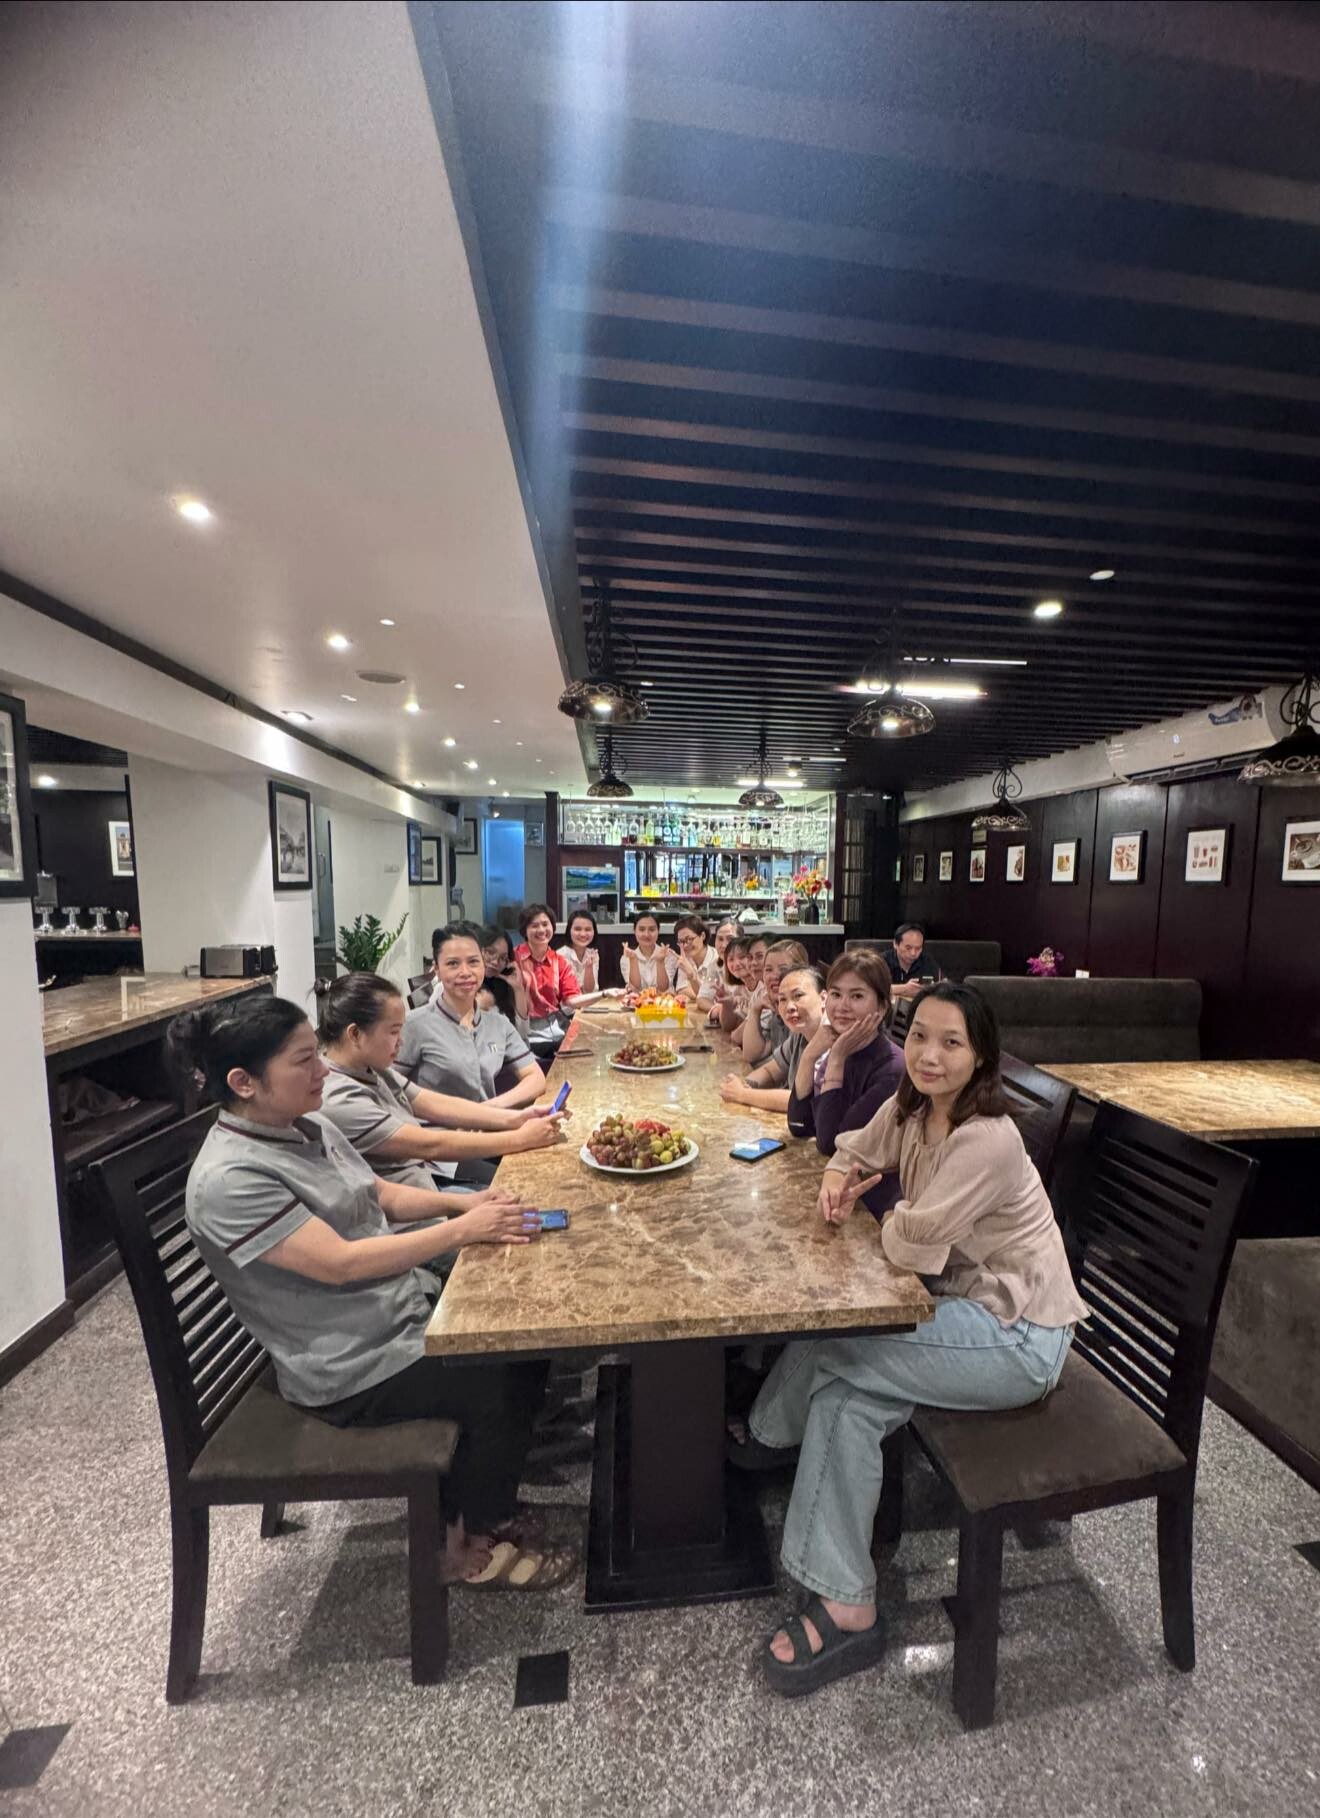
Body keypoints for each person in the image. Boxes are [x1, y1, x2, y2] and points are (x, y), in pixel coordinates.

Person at [732, 982, 1086, 1694]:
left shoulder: (986, 1139)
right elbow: (852, 1150)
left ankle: (766, 1437)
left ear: (981, 1057)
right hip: (954, 1310)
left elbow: (911, 1244)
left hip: (1017, 1335)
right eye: (919, 1035)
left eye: (951, 1043)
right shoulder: (913, 1109)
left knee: (836, 1343)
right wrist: (840, 1181)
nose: (928, 1054)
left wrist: (886, 1214)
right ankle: (850, 1606)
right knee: (847, 1403)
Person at [172, 993, 574, 1590]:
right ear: (243, 1082)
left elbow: (380, 1195)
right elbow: (340, 1265)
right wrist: (460, 1230)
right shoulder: (231, 1179)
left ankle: (486, 1502)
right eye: (304, 1061)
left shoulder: (305, 1123)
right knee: (500, 1367)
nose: (322, 1070)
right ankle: (458, 1543)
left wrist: (463, 1205)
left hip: (394, 1306)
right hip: (351, 1360)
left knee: (523, 1323)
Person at [317, 972, 566, 1190]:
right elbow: (429, 1145)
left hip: (426, 1175)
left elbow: (432, 1103)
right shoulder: (339, 1096)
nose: (401, 1041)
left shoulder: (372, 1068)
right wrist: (520, 1138)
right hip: (419, 1191)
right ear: (355, 1034)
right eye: (393, 1032)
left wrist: (516, 1118)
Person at [398, 923, 547, 1109]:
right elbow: (387, 1086)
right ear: (436, 969)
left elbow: (536, 1078)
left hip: (491, 1122)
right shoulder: (413, 1025)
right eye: (453, 964)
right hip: (438, 1126)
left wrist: (490, 1110)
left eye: (473, 962)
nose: (465, 972)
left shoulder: (498, 1024)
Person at [787, 950, 905, 1157]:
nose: (842, 1006)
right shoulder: (843, 1047)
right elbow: (799, 1125)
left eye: (857, 996)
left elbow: (830, 1145)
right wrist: (808, 1056)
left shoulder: (891, 1069)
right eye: (836, 994)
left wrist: (836, 1059)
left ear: (882, 1006)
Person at [720, 965, 824, 1113]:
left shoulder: (832, 1040)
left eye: (798, 996)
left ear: (824, 998)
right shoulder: (800, 1034)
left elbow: (801, 1101)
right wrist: (744, 1084)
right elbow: (770, 1071)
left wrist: (742, 1094)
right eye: (782, 999)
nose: (789, 1006)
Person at [514, 904, 584, 1045]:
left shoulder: (559, 961)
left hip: (556, 1027)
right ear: (524, 930)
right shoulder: (513, 958)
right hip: (523, 1030)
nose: (541, 930)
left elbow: (572, 999)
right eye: (534, 926)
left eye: (545, 924)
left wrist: (604, 994)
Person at [735, 939, 809, 1066]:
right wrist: (755, 1010)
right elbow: (751, 1054)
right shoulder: (776, 1013)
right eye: (768, 970)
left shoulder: (802, 1015)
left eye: (783, 969)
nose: (775, 976)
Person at [619, 910, 679, 998]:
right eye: (641, 929)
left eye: (652, 929)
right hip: (637, 1003)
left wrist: (660, 962)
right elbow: (635, 988)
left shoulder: (669, 955)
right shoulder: (626, 957)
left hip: (665, 1003)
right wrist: (633, 960)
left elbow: (663, 989)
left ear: (658, 931)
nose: (646, 934)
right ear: (634, 931)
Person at [877, 924, 943, 1001]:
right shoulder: (881, 961)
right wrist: (904, 988)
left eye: (918, 948)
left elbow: (944, 986)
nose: (913, 953)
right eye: (908, 948)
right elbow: (872, 989)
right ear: (895, 944)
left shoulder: (927, 961)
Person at [672, 913, 722, 1008]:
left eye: (689, 939)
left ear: (702, 936)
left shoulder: (717, 959)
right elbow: (681, 990)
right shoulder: (685, 958)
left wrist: (692, 977)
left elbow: (711, 998)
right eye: (681, 941)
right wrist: (700, 995)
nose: (685, 945)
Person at [557, 909, 601, 996]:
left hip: (588, 1002)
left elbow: (589, 991)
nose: (583, 934)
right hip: (567, 1003)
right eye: (577, 929)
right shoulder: (560, 956)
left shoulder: (593, 954)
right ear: (569, 930)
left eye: (588, 929)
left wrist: (589, 968)